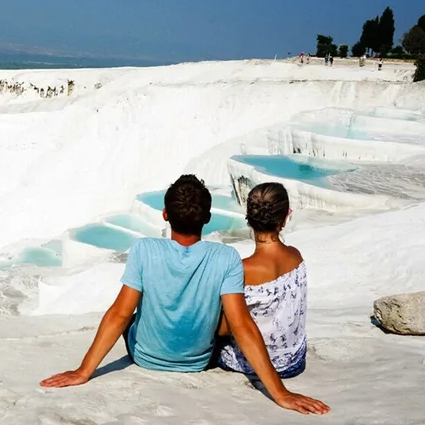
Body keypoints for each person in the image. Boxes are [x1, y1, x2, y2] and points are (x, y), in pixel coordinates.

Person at [40, 175, 330, 416]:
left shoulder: (143, 250)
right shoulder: (226, 258)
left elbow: (119, 314)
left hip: (145, 357)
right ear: (208, 218)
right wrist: (279, 393)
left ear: (165, 215)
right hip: (196, 361)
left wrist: (83, 371)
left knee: (133, 315)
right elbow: (241, 325)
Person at [215, 182, 308, 379]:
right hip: (295, 361)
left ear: (250, 220)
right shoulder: (296, 257)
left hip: (253, 365)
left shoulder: (242, 270)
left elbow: (225, 328)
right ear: (283, 220)